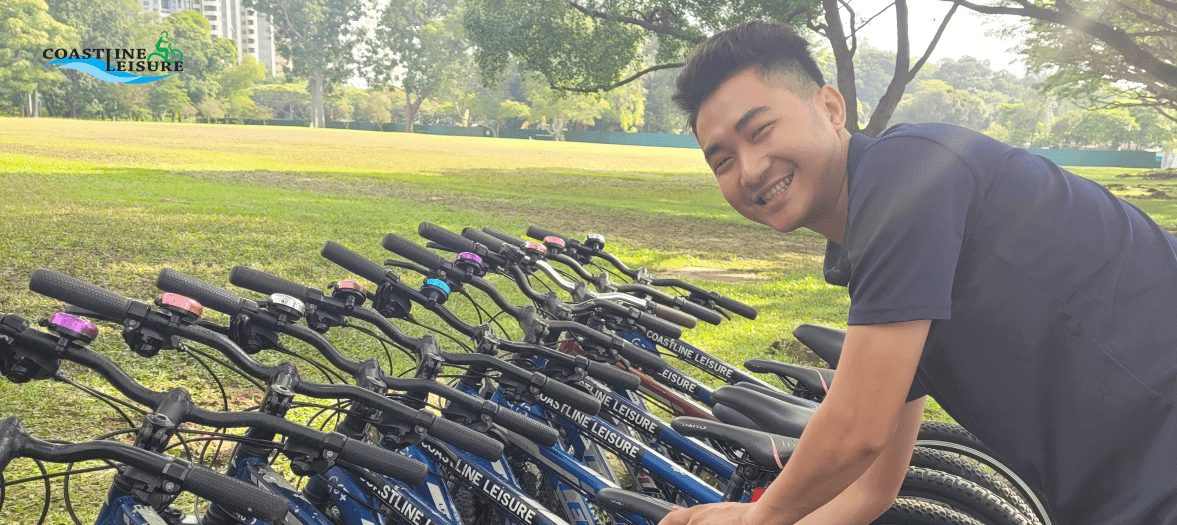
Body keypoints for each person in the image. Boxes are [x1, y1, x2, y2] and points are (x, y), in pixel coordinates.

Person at [659, 20, 1177, 525]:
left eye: (760, 130)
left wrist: (759, 518)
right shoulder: (885, 266)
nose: (748, 170)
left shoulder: (908, 174)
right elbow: (872, 491)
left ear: (831, 107)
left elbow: (856, 429)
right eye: (722, 160)